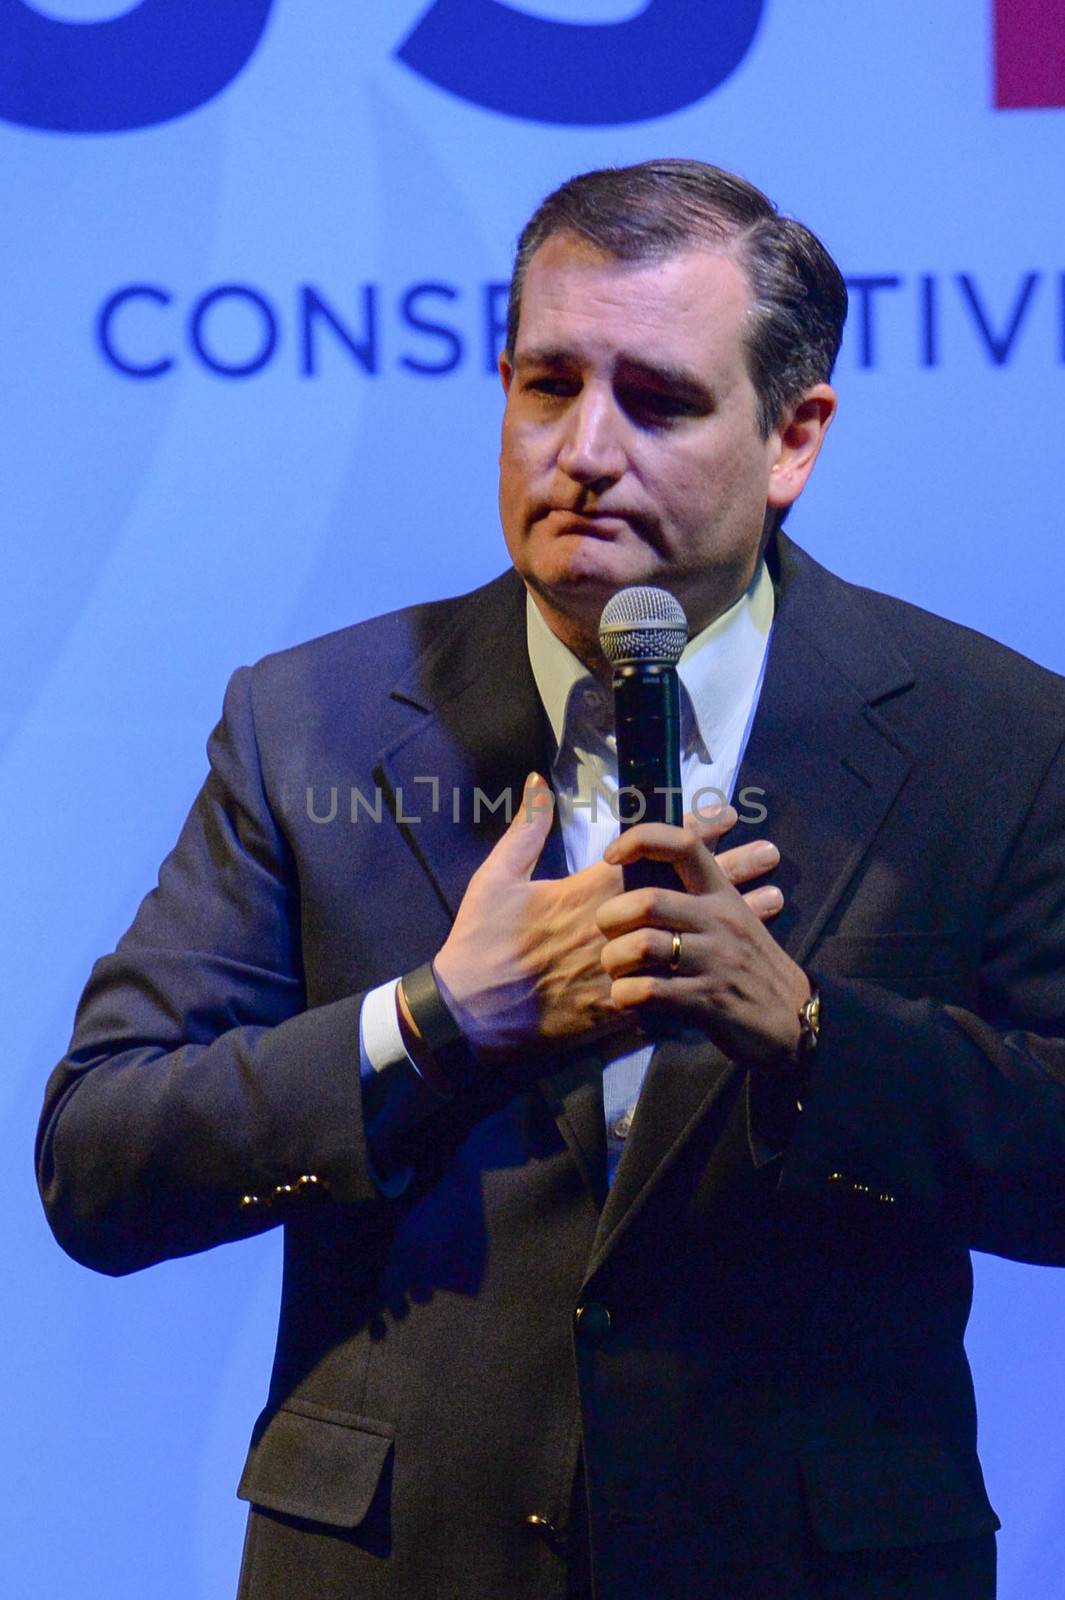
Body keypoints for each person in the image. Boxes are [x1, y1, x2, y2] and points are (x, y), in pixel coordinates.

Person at [37, 160, 1065, 1600]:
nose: (582, 449)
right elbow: (101, 1158)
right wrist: (432, 1021)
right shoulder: (310, 721)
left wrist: (816, 1041)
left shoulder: (994, 734)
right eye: (545, 385)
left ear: (792, 438)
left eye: (655, 400)